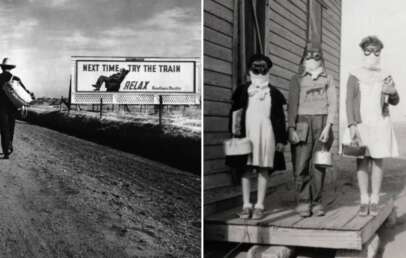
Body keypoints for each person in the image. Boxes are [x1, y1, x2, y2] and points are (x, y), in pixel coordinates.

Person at [344, 36, 399, 216]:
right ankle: (363, 199)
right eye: (369, 50)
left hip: (380, 123)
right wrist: (352, 125)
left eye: (377, 51)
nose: (373, 54)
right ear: (363, 51)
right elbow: (349, 101)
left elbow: (395, 100)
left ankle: (375, 199)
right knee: (361, 160)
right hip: (361, 124)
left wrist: (393, 93)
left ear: (380, 53)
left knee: (377, 159)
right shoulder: (354, 74)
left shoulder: (385, 75)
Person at [230, 54, 287, 220]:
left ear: (268, 69)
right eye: (256, 67)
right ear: (250, 70)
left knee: (263, 168)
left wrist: (281, 140)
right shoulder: (242, 91)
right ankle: (246, 205)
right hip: (246, 133)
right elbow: (234, 114)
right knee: (245, 168)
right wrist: (234, 134)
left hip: (266, 134)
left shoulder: (274, 93)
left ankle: (260, 205)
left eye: (263, 67)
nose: (260, 71)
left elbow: (279, 119)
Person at [287, 43, 337, 217]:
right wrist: (291, 127)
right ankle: (303, 202)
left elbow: (333, 104)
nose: (312, 59)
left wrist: (328, 126)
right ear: (303, 58)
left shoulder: (328, 78)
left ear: (321, 59)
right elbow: (292, 105)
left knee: (318, 164)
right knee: (301, 164)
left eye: (316, 56)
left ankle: (316, 202)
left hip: (322, 123)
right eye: (308, 56)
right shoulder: (296, 79)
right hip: (302, 122)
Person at [0, 57, 34, 159]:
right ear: (11, 68)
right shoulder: (15, 79)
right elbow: (24, 92)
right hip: (13, 108)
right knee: (11, 127)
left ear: (2, 68)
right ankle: (10, 143)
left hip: (1, 108)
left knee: (4, 129)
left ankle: (6, 152)